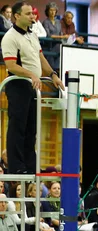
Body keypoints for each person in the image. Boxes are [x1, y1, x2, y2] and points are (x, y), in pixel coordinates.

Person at [1, 2, 64, 174]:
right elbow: (12, 65)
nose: (33, 17)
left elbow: (41, 58)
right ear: (16, 16)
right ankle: (17, 167)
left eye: (33, 14)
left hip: (33, 86)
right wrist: (31, 75)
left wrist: (53, 75)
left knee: (31, 129)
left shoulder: (33, 35)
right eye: (28, 14)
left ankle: (30, 166)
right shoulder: (10, 37)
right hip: (18, 85)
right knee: (18, 127)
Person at [42, 2, 64, 72]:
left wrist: (63, 37)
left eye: (54, 10)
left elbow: (61, 33)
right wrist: (61, 37)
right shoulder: (46, 22)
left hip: (57, 45)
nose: (52, 12)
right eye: (51, 10)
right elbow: (48, 35)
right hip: (49, 46)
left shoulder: (58, 22)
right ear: (47, 11)